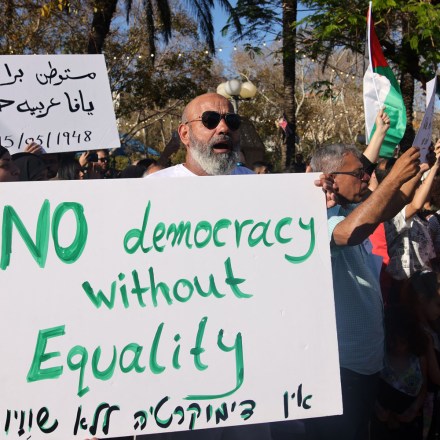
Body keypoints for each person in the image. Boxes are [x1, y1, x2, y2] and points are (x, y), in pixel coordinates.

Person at [305, 143, 422, 440]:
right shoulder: (313, 214)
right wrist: (393, 177)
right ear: (330, 177)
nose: (366, 179)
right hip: (339, 370)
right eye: (359, 173)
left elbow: (396, 200)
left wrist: (418, 165)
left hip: (366, 364)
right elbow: (347, 232)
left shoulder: (351, 206)